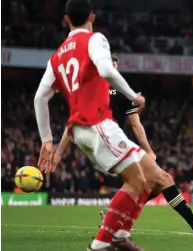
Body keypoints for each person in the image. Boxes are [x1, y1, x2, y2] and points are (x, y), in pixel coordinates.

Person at [34, 0, 159, 250]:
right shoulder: (95, 39)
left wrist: (46, 140)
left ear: (66, 20)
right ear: (92, 16)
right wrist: (134, 96)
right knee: (136, 180)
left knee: (150, 175)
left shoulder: (56, 56)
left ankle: (121, 234)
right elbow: (106, 69)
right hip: (97, 123)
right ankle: (100, 244)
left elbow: (40, 98)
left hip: (82, 130)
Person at [99, 55, 193, 238]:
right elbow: (135, 123)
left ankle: (115, 216)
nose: (114, 70)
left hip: (103, 145)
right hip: (116, 145)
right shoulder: (120, 89)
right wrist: (148, 149)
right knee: (163, 178)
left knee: (157, 184)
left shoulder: (92, 88)